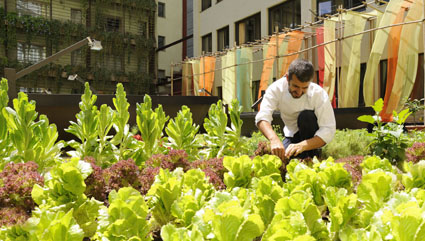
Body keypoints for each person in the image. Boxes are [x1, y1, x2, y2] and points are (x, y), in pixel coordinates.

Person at [255, 59, 336, 161]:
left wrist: (303, 145)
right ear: (287, 78)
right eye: (295, 86)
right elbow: (262, 117)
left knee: (306, 116)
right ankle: (304, 157)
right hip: (292, 135)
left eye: (304, 88)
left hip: (311, 138)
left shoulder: (318, 94)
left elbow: (328, 129)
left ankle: (313, 154)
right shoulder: (276, 89)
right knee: (281, 160)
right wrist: (274, 139)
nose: (299, 92)